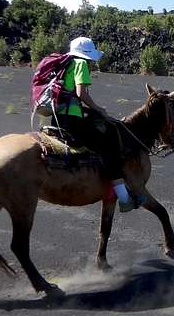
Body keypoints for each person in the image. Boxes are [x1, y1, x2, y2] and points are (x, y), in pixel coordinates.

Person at [54, 37, 143, 212]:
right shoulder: (81, 64)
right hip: (71, 118)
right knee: (107, 145)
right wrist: (98, 109)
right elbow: (80, 93)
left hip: (58, 116)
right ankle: (124, 199)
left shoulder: (66, 64)